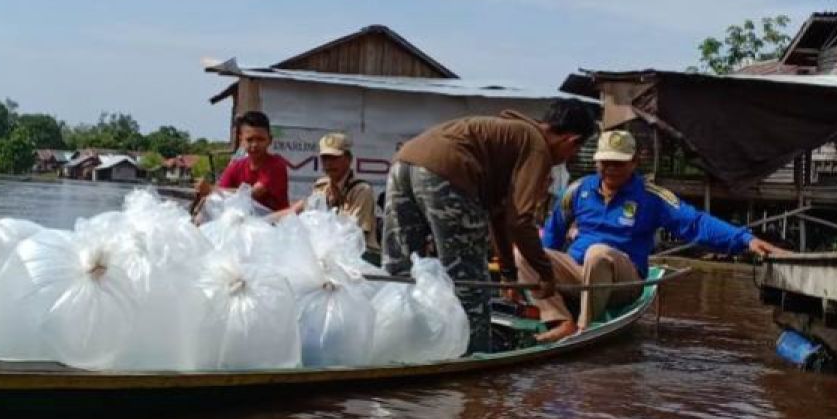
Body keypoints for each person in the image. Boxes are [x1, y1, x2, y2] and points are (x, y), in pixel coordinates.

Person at [521, 129, 786, 342]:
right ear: (596, 162)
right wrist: (534, 283)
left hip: (622, 282)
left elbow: (694, 223)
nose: (610, 168)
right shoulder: (578, 190)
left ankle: (584, 327)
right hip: (577, 272)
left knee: (598, 253)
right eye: (605, 162)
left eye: (618, 162)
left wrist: (745, 239)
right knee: (524, 252)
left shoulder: (651, 196)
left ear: (634, 163)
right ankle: (560, 320)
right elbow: (552, 234)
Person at [382, 99, 600, 353]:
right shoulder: (536, 146)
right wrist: (545, 273)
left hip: (403, 163)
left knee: (400, 270)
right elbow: (520, 221)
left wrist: (508, 273)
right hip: (446, 172)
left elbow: (500, 217)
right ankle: (472, 361)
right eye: (573, 153)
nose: (567, 159)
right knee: (470, 284)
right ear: (571, 141)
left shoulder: (510, 136)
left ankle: (392, 343)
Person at [277, 132, 380, 262]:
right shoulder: (321, 186)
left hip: (361, 256)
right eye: (325, 158)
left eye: (334, 158)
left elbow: (353, 234)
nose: (329, 163)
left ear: (348, 159)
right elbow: (302, 213)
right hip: (329, 255)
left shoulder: (361, 190)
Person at [195, 111, 290, 212]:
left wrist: (211, 190)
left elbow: (252, 193)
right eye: (249, 140)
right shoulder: (236, 166)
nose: (254, 145)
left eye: (260, 139)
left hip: (274, 223)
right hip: (244, 221)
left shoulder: (276, 165)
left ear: (270, 140)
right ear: (241, 140)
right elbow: (220, 193)